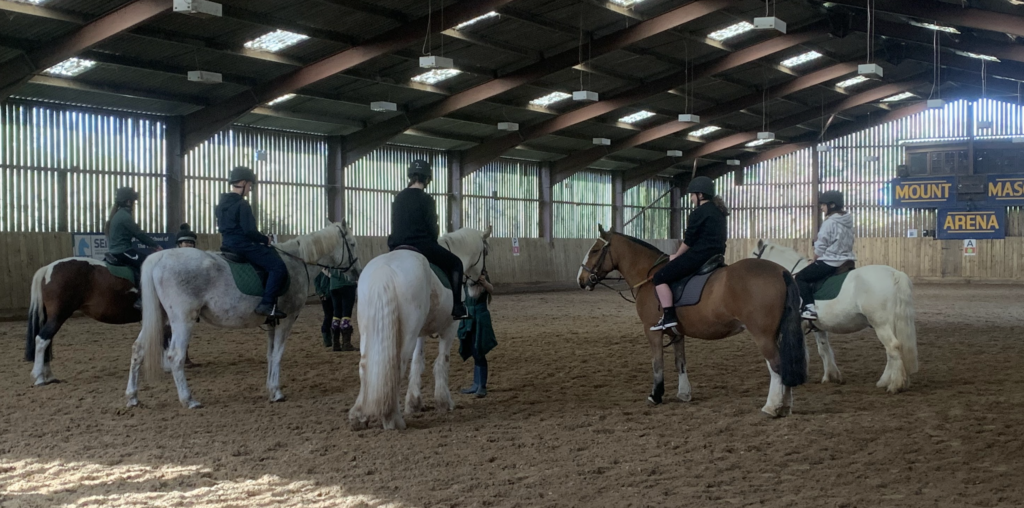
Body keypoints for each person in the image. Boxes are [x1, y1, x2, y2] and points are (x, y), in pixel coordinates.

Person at [387, 159, 468, 319]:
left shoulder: (398, 198)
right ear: (427, 179)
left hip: (396, 246)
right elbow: (432, 228)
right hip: (421, 245)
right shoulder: (427, 199)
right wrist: (432, 239)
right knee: (456, 264)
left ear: (410, 176)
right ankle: (458, 307)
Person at [650, 176, 729, 331]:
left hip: (699, 255)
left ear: (700, 195)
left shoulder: (699, 212)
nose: (691, 199)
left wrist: (676, 255)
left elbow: (689, 241)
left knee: (659, 277)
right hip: (717, 255)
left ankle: (668, 316)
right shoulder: (719, 211)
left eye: (692, 195)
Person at [215, 166, 288, 319]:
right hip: (242, 245)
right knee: (277, 266)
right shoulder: (242, 204)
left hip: (227, 244)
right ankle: (267, 304)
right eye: (249, 186)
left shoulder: (221, 204)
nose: (249, 189)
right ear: (242, 183)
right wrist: (265, 239)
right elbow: (249, 231)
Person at [796, 191, 855, 320]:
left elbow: (822, 243)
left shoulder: (830, 222)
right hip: (848, 260)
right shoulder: (848, 221)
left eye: (823, 205)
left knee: (800, 278)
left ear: (832, 205)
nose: (822, 208)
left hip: (831, 261)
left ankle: (810, 308)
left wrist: (815, 258)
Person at [105, 186, 162, 309]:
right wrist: (155, 245)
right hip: (122, 251)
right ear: (128, 201)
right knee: (146, 264)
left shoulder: (118, 215)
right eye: (133, 201)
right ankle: (141, 298)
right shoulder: (125, 217)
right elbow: (139, 234)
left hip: (117, 250)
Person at [458, 270, 497, 397]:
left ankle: (482, 385)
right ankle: (476, 384)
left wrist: (484, 283)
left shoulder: (483, 277)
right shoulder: (465, 277)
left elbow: (492, 290)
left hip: (480, 317)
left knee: (478, 350)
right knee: (474, 351)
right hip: (468, 316)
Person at [313, 266, 359, 351]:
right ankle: (346, 344)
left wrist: (333, 276)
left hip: (333, 286)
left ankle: (335, 344)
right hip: (347, 284)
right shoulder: (346, 256)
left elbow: (324, 269)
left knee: (336, 314)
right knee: (346, 314)